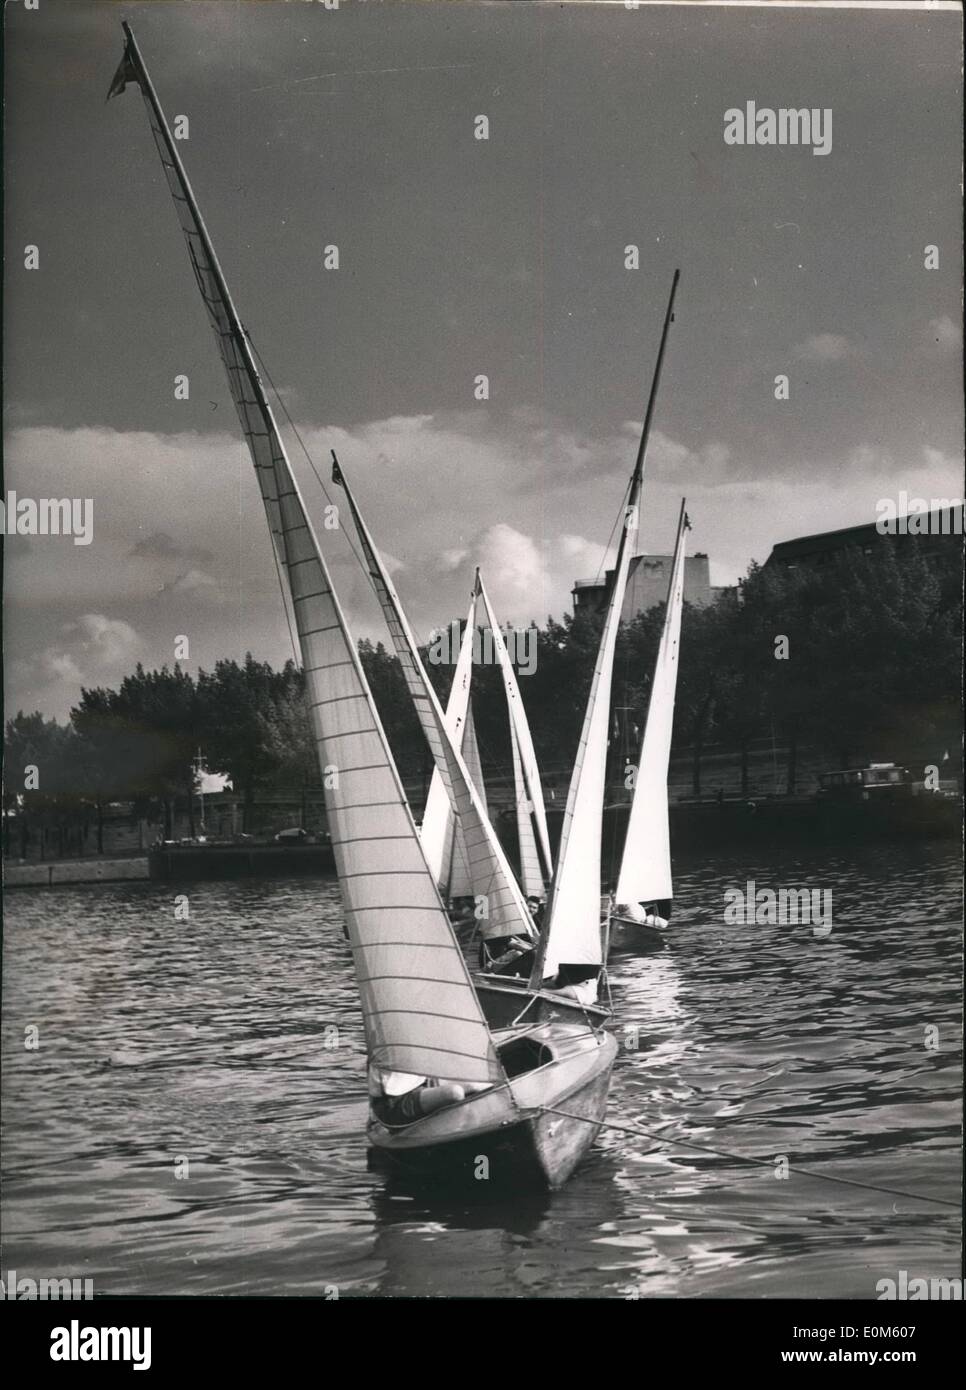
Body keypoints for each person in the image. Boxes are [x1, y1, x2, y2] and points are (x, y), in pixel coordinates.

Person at [368, 1065, 488, 1126]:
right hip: (394, 1103)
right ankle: (461, 1131)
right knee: (454, 1092)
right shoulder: (384, 1040)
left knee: (478, 1084)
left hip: (423, 1085)